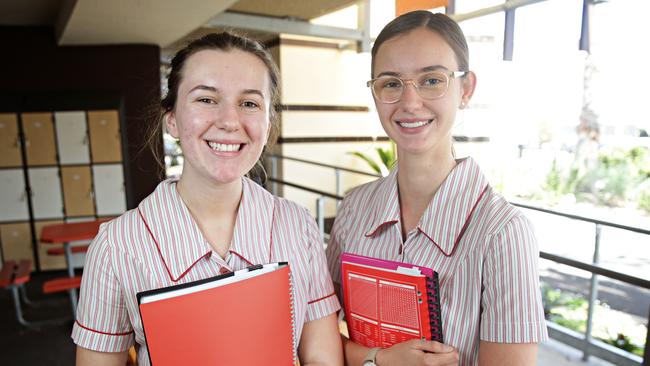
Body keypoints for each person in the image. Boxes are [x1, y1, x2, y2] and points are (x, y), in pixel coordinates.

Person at [72, 32, 343, 366]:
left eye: (249, 103)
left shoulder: (297, 225)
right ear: (171, 118)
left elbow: (322, 356)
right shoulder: (118, 246)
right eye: (206, 99)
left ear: (268, 121)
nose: (230, 121)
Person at [326, 10, 548, 366]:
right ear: (376, 93)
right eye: (391, 83)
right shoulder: (355, 208)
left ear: (466, 89)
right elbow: (317, 337)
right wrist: (380, 360)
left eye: (431, 80)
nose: (410, 102)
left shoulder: (502, 232)